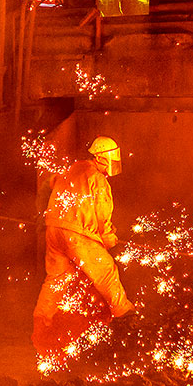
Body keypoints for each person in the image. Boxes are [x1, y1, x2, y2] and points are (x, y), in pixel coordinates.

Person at [32, 136, 134, 353]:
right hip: (76, 233)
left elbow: (47, 185)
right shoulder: (98, 179)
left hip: (54, 230)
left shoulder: (72, 169)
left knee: (56, 278)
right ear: (103, 158)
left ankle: (42, 320)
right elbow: (102, 215)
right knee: (105, 270)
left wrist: (44, 215)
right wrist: (108, 239)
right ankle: (124, 314)